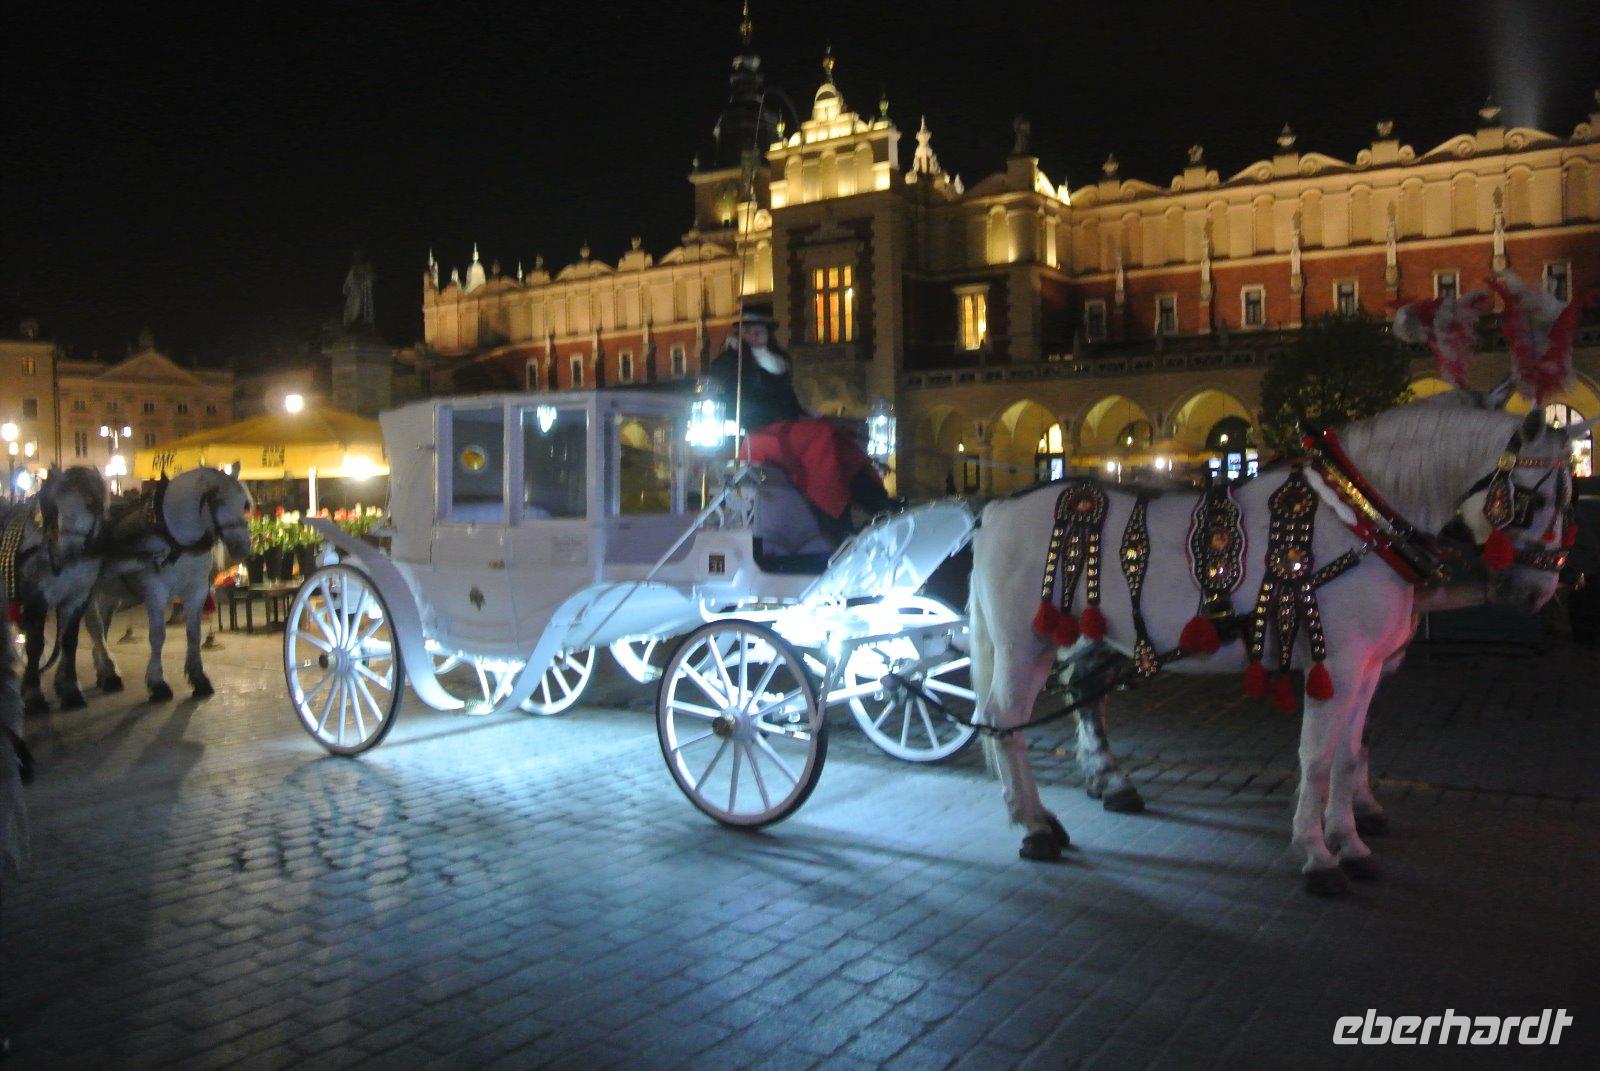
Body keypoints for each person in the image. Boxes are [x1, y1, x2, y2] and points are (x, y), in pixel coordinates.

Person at [707, 304, 892, 536]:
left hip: (787, 428)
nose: (752, 334)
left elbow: (787, 395)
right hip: (759, 434)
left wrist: (816, 415)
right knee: (821, 438)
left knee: (839, 439)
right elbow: (718, 381)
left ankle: (877, 503)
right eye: (748, 330)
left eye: (758, 330)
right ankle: (836, 513)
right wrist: (738, 352)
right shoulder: (731, 360)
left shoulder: (776, 359)